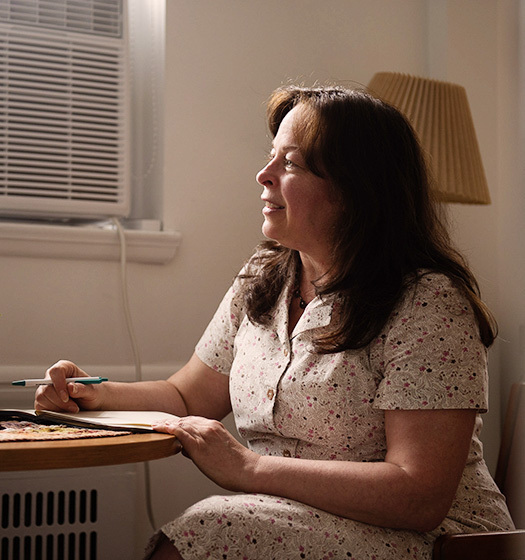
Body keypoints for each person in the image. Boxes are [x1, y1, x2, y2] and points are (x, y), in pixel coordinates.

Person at [35, 86, 514, 560]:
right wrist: (95, 395)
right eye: (271, 158)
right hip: (292, 517)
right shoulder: (263, 279)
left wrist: (248, 468)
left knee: (212, 530)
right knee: (215, 528)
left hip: (442, 541)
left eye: (290, 164)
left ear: (355, 189)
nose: (263, 176)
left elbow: (419, 494)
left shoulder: (428, 303)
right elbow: (186, 397)